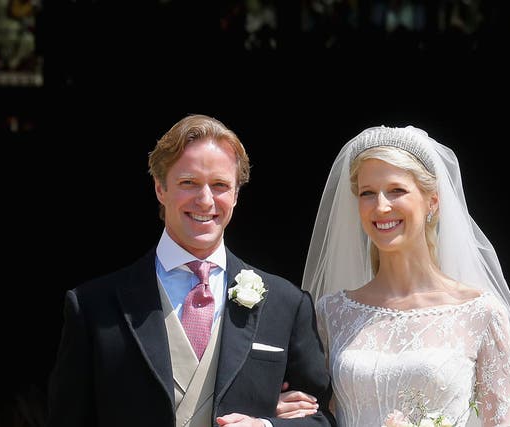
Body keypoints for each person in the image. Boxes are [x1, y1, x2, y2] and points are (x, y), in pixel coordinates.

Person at [47, 114, 336, 427]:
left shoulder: (286, 304)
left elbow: (321, 418)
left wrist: (267, 425)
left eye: (221, 185)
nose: (205, 200)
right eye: (189, 183)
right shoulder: (93, 307)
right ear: (160, 188)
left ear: (236, 194)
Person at [279, 125, 510, 427]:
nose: (381, 206)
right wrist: (283, 410)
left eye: (397, 190)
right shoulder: (330, 313)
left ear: (433, 202)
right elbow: (317, 415)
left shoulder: (481, 313)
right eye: (367, 194)